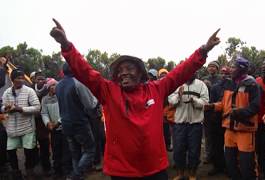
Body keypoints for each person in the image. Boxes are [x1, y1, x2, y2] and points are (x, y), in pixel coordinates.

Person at [49, 18, 221, 179]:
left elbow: (181, 71)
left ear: (140, 72)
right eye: (120, 70)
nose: (124, 72)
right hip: (121, 170)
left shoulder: (157, 89)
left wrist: (204, 50)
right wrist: (65, 44)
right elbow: (84, 71)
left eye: (129, 68)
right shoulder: (108, 91)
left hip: (155, 168)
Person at [205, 57, 260, 180]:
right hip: (229, 130)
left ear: (242, 69)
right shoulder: (229, 84)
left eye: (234, 67)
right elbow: (225, 104)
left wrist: (240, 112)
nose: (231, 69)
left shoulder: (251, 84)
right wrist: (213, 106)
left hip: (245, 130)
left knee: (247, 166)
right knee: (230, 164)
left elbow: (255, 107)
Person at [55, 63, 97, 180]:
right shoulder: (78, 83)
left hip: (65, 123)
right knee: (90, 150)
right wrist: (97, 98)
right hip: (79, 123)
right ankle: (75, 176)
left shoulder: (58, 85)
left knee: (75, 153)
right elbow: (90, 104)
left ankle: (77, 177)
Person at [1, 69, 41, 179]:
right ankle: (16, 173)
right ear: (12, 79)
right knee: (11, 151)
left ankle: (29, 172)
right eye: (18, 78)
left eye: (22, 78)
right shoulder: (7, 92)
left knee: (29, 151)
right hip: (12, 128)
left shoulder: (29, 91)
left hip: (27, 127)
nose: (21, 80)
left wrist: (20, 109)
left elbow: (37, 107)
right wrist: (6, 108)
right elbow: (2, 107)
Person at [169, 73, 209, 180]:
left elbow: (205, 102)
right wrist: (178, 95)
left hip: (195, 125)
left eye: (193, 71)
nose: (190, 73)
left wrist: (194, 100)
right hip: (179, 124)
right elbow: (171, 101)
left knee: (194, 151)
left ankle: (192, 174)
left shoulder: (201, 85)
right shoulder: (177, 84)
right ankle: (180, 174)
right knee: (178, 150)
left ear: (196, 73)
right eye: (188, 71)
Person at [41, 78, 72, 178]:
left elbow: (66, 111)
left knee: (66, 151)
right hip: (53, 130)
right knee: (56, 151)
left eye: (55, 85)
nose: (54, 87)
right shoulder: (45, 99)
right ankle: (57, 172)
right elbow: (44, 113)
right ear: (49, 88)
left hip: (65, 128)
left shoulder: (62, 96)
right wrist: (47, 123)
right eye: (52, 85)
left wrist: (58, 122)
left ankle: (67, 172)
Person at [207, 67, 231, 176]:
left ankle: (228, 167)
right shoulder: (215, 87)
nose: (224, 75)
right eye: (223, 73)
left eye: (226, 73)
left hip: (230, 120)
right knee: (216, 145)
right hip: (216, 121)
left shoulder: (234, 86)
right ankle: (217, 166)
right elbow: (211, 103)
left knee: (229, 147)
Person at [202, 60, 221, 166]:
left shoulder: (221, 79)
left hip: (218, 111)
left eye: (214, 66)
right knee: (208, 135)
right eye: (210, 66)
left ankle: (218, 156)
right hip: (207, 111)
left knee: (218, 136)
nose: (211, 68)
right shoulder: (203, 79)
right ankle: (208, 155)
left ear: (217, 69)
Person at [33, 71, 52, 176]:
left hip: (45, 122)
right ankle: (35, 166)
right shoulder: (31, 89)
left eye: (42, 79)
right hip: (33, 122)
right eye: (38, 79)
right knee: (33, 146)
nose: (40, 81)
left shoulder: (48, 90)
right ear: (34, 80)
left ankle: (47, 168)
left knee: (45, 145)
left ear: (45, 80)